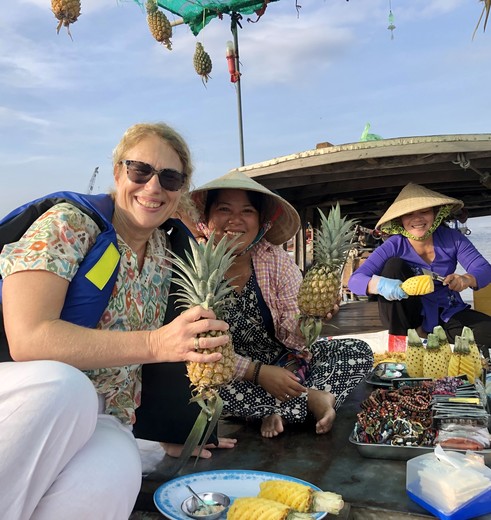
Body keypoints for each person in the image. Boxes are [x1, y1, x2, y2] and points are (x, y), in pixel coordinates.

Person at [0, 122, 233, 520]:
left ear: (181, 190)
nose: (153, 187)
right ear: (117, 173)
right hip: (35, 398)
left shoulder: (168, 251)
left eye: (170, 177)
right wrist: (156, 344)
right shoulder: (69, 225)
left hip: (107, 415)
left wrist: (178, 427)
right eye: (140, 170)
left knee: (116, 472)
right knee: (66, 389)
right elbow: (27, 338)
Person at [187, 170, 374, 438]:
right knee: (207, 390)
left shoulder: (275, 260)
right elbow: (198, 347)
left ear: (261, 221)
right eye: (224, 209)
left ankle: (276, 408)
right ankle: (312, 400)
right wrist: (258, 373)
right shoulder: (194, 266)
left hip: (286, 364)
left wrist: (311, 317)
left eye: (247, 211)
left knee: (356, 350)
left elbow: (294, 338)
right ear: (206, 218)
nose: (235, 220)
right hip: (229, 371)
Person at [348, 183, 491, 350]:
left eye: (424, 212)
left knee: (487, 332)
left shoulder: (452, 238)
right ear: (400, 220)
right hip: (408, 316)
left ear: (436, 213)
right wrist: (381, 285)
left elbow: (484, 269)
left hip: (446, 310)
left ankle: (434, 338)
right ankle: (403, 341)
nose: (417, 219)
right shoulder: (394, 245)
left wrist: (466, 279)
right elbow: (355, 280)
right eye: (409, 214)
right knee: (394, 266)